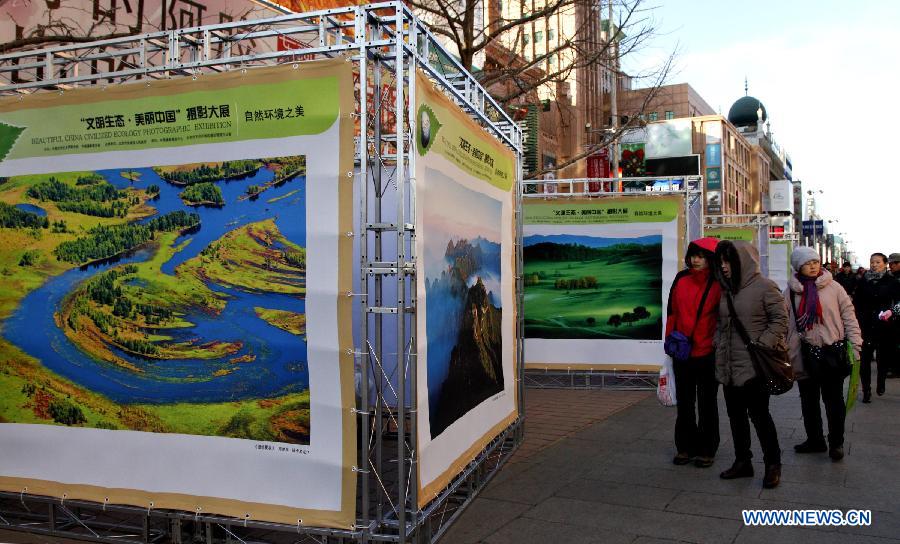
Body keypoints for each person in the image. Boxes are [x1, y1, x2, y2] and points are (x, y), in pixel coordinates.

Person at [714, 240, 788, 489]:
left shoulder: (765, 287)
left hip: (754, 366)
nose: (724, 266)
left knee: (759, 416)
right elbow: (721, 325)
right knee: (735, 417)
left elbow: (780, 321)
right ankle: (742, 461)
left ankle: (772, 464)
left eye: (728, 260)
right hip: (729, 366)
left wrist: (762, 344)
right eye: (721, 261)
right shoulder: (726, 290)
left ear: (742, 260)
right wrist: (718, 345)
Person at [784, 247, 862, 462]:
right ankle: (815, 439)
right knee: (808, 401)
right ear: (798, 266)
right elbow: (785, 323)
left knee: (833, 401)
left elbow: (849, 317)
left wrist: (855, 345)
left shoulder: (834, 287)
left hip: (831, 352)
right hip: (804, 353)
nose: (813, 266)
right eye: (807, 263)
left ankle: (836, 442)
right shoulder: (790, 290)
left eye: (816, 262)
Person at [665, 237, 722, 468]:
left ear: (711, 259)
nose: (696, 260)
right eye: (693, 256)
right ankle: (685, 447)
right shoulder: (681, 278)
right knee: (685, 403)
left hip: (708, 352)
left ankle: (707, 449)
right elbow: (672, 311)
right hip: (683, 352)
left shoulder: (719, 282)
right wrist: (670, 340)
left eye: (701, 256)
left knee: (707, 403)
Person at [853, 253, 900, 402]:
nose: (874, 265)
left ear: (885, 264)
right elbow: (856, 302)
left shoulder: (892, 281)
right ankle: (866, 390)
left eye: (878, 262)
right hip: (865, 325)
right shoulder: (862, 281)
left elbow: (899, 302)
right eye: (872, 262)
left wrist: (892, 312)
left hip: (885, 325)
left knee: (883, 358)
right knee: (865, 359)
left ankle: (881, 382)